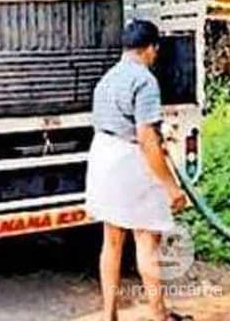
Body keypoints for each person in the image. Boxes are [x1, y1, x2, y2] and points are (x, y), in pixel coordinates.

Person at [85, 18, 191, 321]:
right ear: (151, 49)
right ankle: (159, 315)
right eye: (155, 51)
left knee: (112, 240)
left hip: (103, 157)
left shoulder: (107, 78)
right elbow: (145, 137)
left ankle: (109, 315)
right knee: (147, 240)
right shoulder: (144, 80)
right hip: (129, 162)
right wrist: (172, 187)